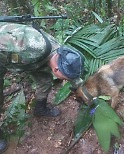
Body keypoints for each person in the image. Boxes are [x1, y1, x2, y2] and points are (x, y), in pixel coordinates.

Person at [0, 22, 84, 153]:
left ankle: (40, 108)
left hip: (30, 62)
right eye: (65, 78)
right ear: (56, 69)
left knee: (45, 81)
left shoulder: (60, 54)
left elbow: (74, 77)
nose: (66, 81)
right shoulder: (31, 46)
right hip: (3, 54)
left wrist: (85, 92)